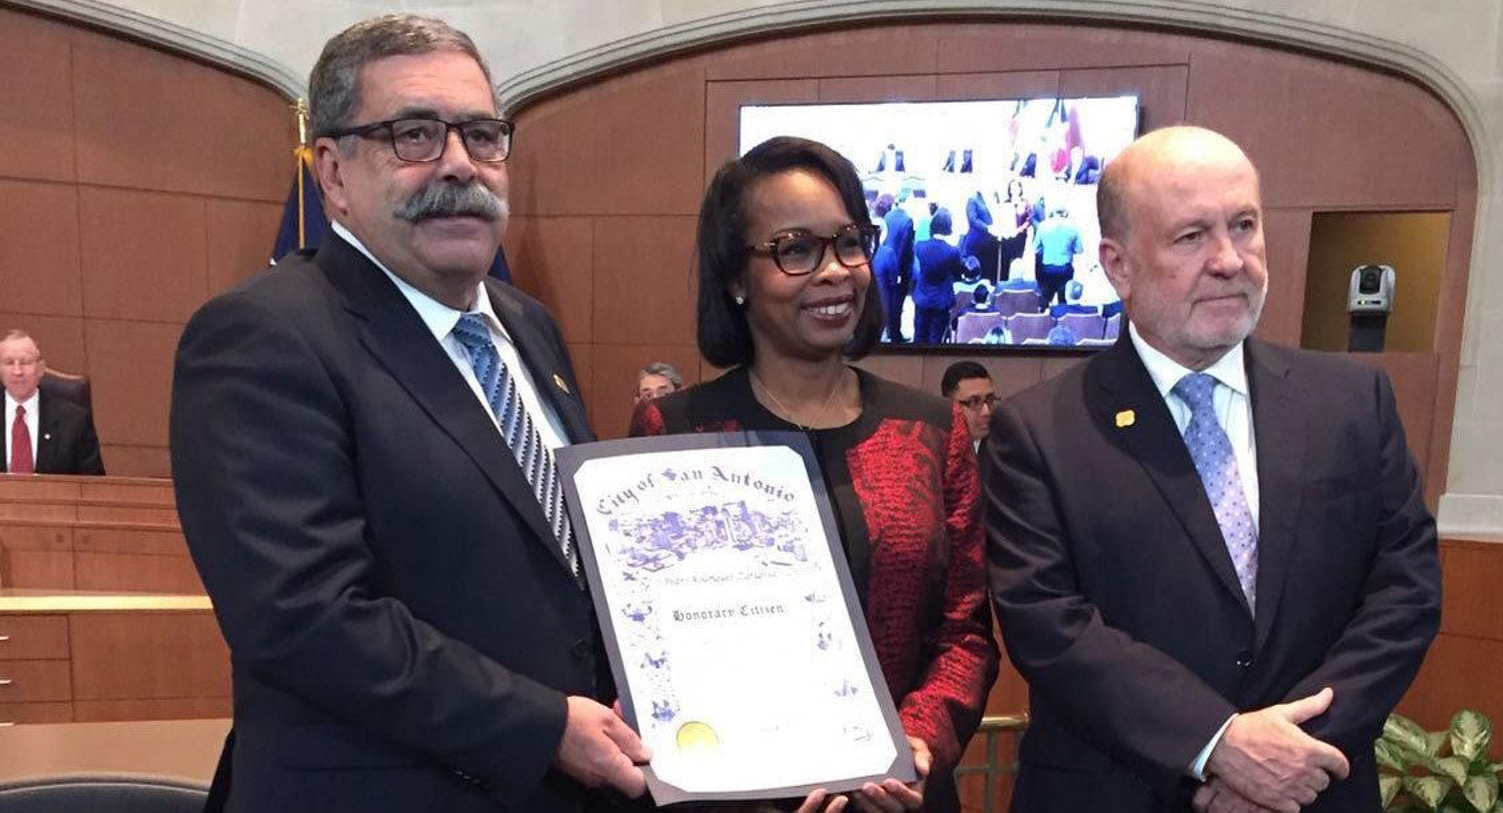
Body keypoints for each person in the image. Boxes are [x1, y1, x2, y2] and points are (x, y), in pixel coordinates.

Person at [169, 15, 648, 813]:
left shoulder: (527, 325)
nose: (460, 164)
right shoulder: (264, 336)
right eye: (414, 134)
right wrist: (542, 725)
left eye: (483, 135)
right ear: (332, 174)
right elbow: (305, 618)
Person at [984, 126, 1441, 813]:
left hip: (1315, 788)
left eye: (1245, 226)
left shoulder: (1352, 401)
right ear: (1119, 264)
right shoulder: (1038, 430)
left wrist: (1291, 755)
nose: (1230, 259)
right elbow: (1048, 623)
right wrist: (1217, 744)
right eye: (1191, 236)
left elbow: (1405, 590)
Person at [630, 136, 998, 813]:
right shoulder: (677, 431)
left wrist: (917, 741)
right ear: (736, 278)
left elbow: (965, 631)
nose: (836, 271)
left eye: (849, 243)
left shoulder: (930, 430)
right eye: (796, 249)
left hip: (900, 796)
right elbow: (653, 641)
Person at [1, 330, 104, 476]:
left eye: (25, 362)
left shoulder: (74, 421)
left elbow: (94, 485)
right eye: (9, 363)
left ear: (41, 368)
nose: (17, 371)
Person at [911, 207, 962, 344]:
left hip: (922, 298)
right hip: (942, 299)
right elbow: (958, 274)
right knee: (936, 340)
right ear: (948, 227)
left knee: (919, 337)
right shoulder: (952, 251)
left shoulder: (919, 246)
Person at [871, 191, 915, 343]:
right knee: (897, 304)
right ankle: (895, 334)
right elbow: (905, 248)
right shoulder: (907, 220)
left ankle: (889, 331)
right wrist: (901, 273)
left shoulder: (887, 218)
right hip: (898, 266)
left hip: (881, 262)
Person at [1032, 203, 1083, 308]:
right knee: (1063, 297)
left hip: (1047, 268)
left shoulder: (1043, 226)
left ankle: (1043, 317)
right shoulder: (1073, 228)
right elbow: (1079, 250)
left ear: (1053, 212)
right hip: (1065, 267)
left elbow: (1035, 248)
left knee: (1045, 296)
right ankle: (1062, 317)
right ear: (1065, 213)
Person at [939, 361, 997, 451]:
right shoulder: (932, 451)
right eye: (974, 402)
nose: (986, 412)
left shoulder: (1007, 450)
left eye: (990, 400)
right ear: (949, 405)